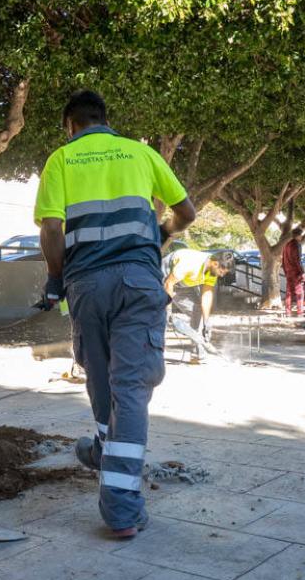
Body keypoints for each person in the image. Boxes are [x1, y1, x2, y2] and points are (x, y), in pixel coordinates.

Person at [34, 90, 196, 538]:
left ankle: (109, 467)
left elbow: (51, 228)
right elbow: (187, 212)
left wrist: (54, 278)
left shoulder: (61, 160)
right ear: (105, 119)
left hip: (86, 284)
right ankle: (119, 499)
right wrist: (157, 235)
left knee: (102, 380)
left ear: (70, 126)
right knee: (130, 387)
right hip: (139, 282)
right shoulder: (140, 154)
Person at [162, 248, 235, 362]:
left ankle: (198, 354)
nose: (221, 275)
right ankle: (153, 352)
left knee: (198, 311)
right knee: (161, 316)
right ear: (215, 263)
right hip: (164, 277)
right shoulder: (190, 263)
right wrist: (168, 309)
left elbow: (206, 295)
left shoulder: (212, 271)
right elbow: (168, 283)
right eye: (221, 272)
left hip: (182, 283)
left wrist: (206, 322)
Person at [281, 228, 305, 317]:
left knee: (289, 293)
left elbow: (283, 260)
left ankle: (288, 313)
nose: (301, 237)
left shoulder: (286, 245)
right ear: (298, 235)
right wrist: (302, 272)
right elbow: (297, 260)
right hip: (296, 272)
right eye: (301, 235)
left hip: (288, 272)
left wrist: (286, 271)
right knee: (300, 292)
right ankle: (300, 313)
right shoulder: (296, 245)